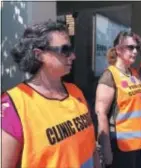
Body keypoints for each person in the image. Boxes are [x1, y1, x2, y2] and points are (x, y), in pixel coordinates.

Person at [1, 21, 100, 168]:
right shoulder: (14, 105)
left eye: (71, 49)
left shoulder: (75, 92)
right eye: (64, 50)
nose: (72, 56)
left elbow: (91, 148)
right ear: (39, 55)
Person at [95, 31, 141, 168]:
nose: (135, 51)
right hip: (122, 146)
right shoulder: (110, 76)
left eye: (136, 48)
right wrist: (106, 149)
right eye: (130, 47)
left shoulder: (133, 73)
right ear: (118, 50)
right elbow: (101, 113)